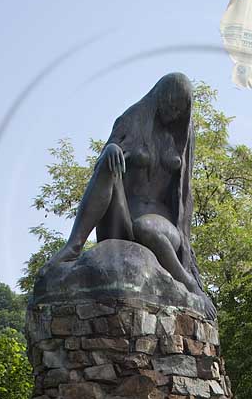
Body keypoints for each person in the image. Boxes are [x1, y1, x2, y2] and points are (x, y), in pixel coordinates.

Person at [59, 72, 213, 316]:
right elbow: (104, 167)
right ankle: (74, 245)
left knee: (146, 227)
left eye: (178, 108)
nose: (172, 111)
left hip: (161, 225)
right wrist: (110, 149)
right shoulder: (132, 119)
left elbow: (184, 194)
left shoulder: (183, 137)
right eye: (169, 103)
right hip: (123, 218)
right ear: (158, 97)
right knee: (107, 163)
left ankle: (188, 282)